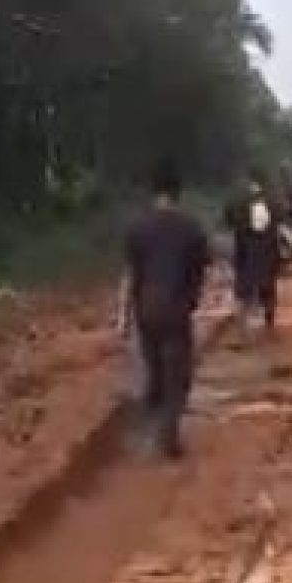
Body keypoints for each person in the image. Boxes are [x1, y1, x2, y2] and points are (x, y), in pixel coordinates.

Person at [119, 160, 212, 459]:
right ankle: (166, 437)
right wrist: (194, 300)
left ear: (152, 192)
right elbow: (201, 271)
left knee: (155, 370)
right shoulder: (191, 228)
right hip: (176, 309)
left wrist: (122, 318)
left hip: (145, 310)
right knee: (178, 375)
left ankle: (145, 431)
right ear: (178, 193)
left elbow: (130, 275)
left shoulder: (137, 227)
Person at [225, 170, 288, 335]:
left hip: (245, 254)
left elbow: (228, 222)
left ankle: (241, 331)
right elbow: (283, 221)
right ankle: (269, 326)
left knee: (243, 293)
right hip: (268, 254)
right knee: (268, 291)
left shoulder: (237, 202)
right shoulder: (273, 202)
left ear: (248, 181)